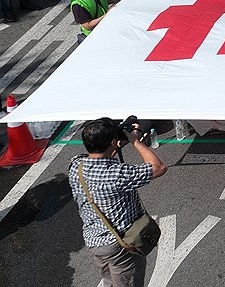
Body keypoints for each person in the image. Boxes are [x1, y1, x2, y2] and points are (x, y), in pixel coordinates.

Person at [69, 116, 168, 287]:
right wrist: (135, 140)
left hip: (96, 241)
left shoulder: (75, 165)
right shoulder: (117, 174)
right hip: (121, 246)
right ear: (113, 141)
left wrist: (116, 143)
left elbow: (100, 157)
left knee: (111, 282)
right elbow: (159, 167)